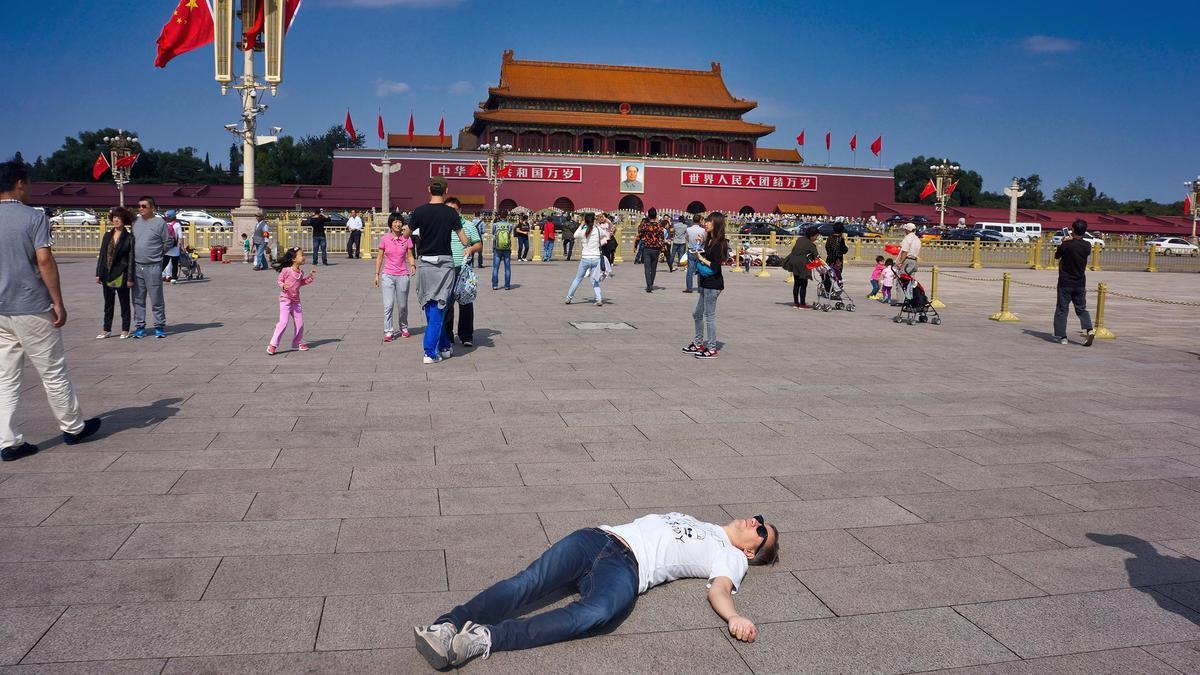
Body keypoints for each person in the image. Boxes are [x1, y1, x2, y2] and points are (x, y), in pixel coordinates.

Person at [414, 512, 779, 670]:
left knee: (596, 614)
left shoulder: (733, 557)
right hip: (597, 538)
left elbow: (720, 589)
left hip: (627, 570)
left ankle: (482, 639)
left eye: (762, 531)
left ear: (751, 551)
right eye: (761, 519)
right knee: (527, 583)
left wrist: (733, 617)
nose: (756, 523)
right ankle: (446, 626)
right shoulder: (706, 524)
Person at [0, 159, 102, 461]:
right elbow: (44, 260)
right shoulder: (33, 217)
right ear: (20, 184)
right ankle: (72, 427)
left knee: (6, 377)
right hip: (31, 305)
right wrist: (57, 301)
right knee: (52, 371)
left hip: (1, 309)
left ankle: (8, 441)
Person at [411, 177, 472, 364]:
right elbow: (464, 240)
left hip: (424, 263)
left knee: (429, 303)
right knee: (440, 305)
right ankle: (430, 351)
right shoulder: (451, 213)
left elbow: (406, 233)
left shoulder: (419, 211)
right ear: (446, 190)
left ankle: (444, 346)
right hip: (445, 264)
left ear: (429, 189)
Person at [683, 213, 729, 359]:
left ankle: (711, 348)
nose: (706, 223)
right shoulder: (709, 240)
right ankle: (698, 343)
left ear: (716, 224)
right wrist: (699, 244)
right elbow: (704, 253)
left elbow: (715, 266)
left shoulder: (720, 243)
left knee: (709, 317)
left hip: (713, 284)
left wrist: (701, 258)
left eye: (709, 221)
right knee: (697, 313)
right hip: (704, 282)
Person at [444, 197, 483, 348]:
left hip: (463, 268)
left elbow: (478, 244)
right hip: (446, 269)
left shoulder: (468, 225)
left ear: (459, 211)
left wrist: (471, 249)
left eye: (453, 210)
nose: (450, 213)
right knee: (447, 304)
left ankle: (466, 335)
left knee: (466, 302)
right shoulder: (442, 225)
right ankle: (447, 335)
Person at [131, 196, 171, 338]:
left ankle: (159, 325)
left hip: (153, 265)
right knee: (137, 298)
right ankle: (140, 326)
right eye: (139, 206)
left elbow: (167, 242)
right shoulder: (135, 222)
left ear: (152, 208)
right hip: (137, 266)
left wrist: (158, 255)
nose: (140, 209)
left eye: (144, 206)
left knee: (156, 298)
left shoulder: (160, 223)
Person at [95, 206, 136, 339]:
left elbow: (131, 259)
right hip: (107, 273)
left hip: (121, 273)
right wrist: (98, 273)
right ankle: (106, 329)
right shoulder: (107, 235)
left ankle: (125, 329)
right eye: (114, 217)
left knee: (124, 302)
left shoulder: (129, 237)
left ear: (124, 220)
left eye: (119, 217)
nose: (116, 220)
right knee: (108, 303)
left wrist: (130, 278)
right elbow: (102, 255)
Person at [1054, 219, 1096, 346]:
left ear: (1072, 230)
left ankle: (1062, 336)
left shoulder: (1067, 245)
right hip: (1080, 282)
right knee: (1081, 309)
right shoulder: (1087, 246)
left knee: (1062, 309)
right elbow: (1080, 248)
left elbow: (1057, 256)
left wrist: (1063, 243)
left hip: (1065, 282)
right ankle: (1089, 329)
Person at [374, 212, 415, 342]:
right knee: (388, 305)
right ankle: (388, 331)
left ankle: (403, 327)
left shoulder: (406, 238)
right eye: (395, 222)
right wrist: (377, 274)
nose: (398, 224)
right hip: (388, 275)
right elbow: (380, 256)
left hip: (403, 275)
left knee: (402, 305)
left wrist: (413, 265)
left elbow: (409, 255)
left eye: (400, 222)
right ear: (390, 224)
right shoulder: (385, 239)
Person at [267, 247, 315, 355]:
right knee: (283, 323)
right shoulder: (286, 270)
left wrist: (309, 277)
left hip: (296, 302)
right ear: (293, 259)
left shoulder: (301, 272)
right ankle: (273, 345)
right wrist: (283, 285)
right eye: (301, 255)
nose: (304, 257)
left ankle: (296, 342)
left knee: (300, 323)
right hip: (285, 300)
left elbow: (300, 282)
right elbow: (280, 280)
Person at [564, 213, 605, 306]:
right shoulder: (598, 230)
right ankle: (599, 299)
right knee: (595, 280)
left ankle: (569, 298)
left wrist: (582, 225)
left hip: (585, 258)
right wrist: (596, 224)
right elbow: (604, 234)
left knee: (578, 279)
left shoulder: (583, 231)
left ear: (585, 221)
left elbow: (574, 235)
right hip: (596, 258)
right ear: (593, 220)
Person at [783, 226, 819, 309]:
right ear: (812, 236)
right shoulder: (811, 244)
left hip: (793, 261)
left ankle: (796, 303)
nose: (816, 238)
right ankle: (802, 304)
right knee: (803, 284)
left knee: (796, 283)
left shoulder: (800, 239)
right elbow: (816, 256)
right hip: (802, 264)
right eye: (816, 236)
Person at [635, 210, 666, 293]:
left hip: (647, 249)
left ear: (648, 216)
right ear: (656, 216)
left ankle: (648, 285)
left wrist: (635, 246)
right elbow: (662, 239)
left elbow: (639, 236)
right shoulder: (659, 227)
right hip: (656, 250)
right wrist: (662, 250)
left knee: (647, 268)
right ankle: (651, 283)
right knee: (653, 268)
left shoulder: (644, 226)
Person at [491, 215, 513, 290]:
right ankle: (507, 285)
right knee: (507, 268)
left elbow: (493, 233)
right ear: (507, 216)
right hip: (507, 248)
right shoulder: (510, 225)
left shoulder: (495, 225)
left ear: (499, 217)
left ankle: (495, 285)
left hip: (497, 248)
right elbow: (509, 234)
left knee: (495, 268)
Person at [684, 213, 704, 293]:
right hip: (700, 251)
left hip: (691, 250)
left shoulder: (688, 229)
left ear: (693, 220)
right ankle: (700, 288)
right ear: (700, 221)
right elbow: (704, 239)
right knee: (700, 270)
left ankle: (689, 288)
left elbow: (687, 238)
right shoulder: (703, 230)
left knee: (690, 270)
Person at [162, 210, 183, 283]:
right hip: (175, 247)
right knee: (175, 263)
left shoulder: (165, 224)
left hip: (166, 247)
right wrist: (181, 246)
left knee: (164, 263)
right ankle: (173, 278)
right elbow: (180, 237)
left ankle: (158, 276)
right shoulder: (177, 225)